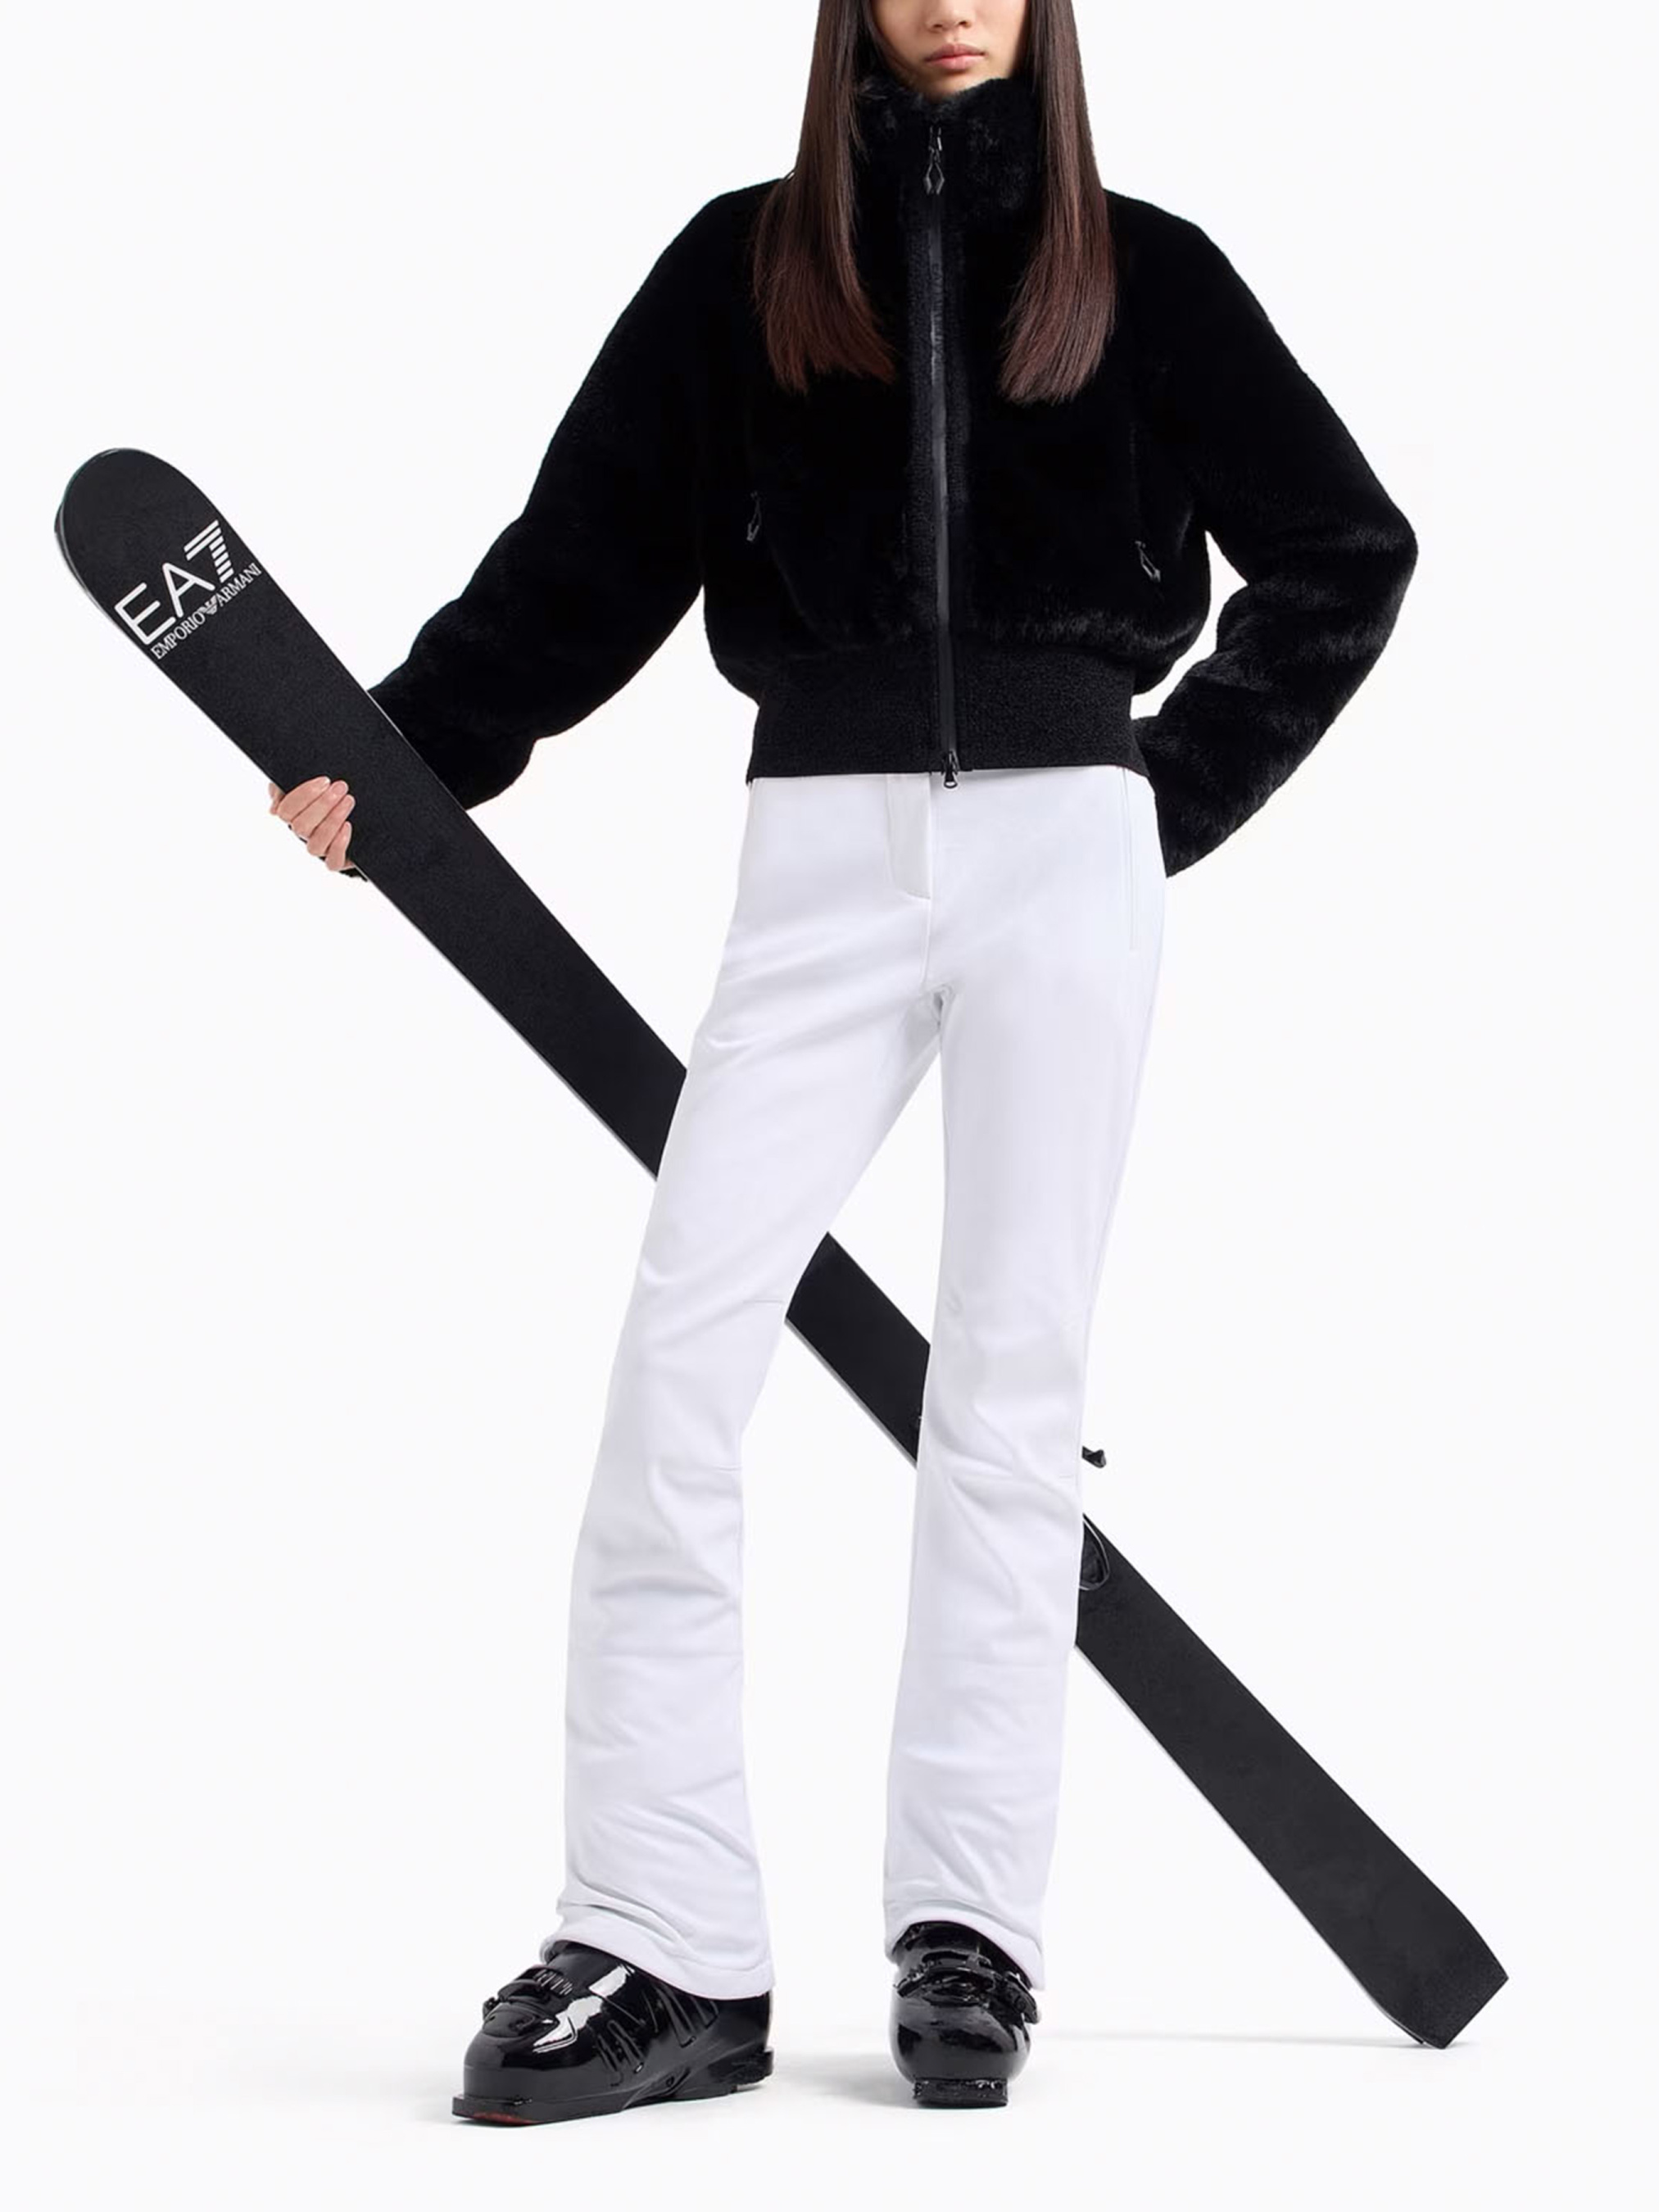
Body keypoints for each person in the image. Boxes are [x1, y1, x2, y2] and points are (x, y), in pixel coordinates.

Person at [270, 0, 1417, 2121]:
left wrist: (1151, 800)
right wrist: (409, 753)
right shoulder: (747, 267)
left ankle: (969, 1926)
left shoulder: (1143, 270)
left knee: (1008, 1390)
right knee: (680, 1362)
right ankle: (663, 1935)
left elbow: (1348, 551)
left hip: (1069, 856)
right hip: (817, 848)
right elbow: (583, 560)